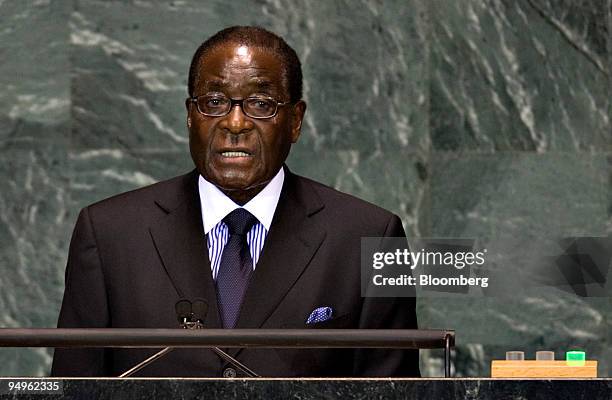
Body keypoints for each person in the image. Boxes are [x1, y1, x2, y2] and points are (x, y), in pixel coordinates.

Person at [51, 26, 420, 377]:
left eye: (261, 103)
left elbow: (396, 389)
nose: (236, 123)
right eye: (214, 102)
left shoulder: (371, 237)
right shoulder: (108, 234)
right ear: (190, 117)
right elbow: (72, 386)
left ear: (295, 120)